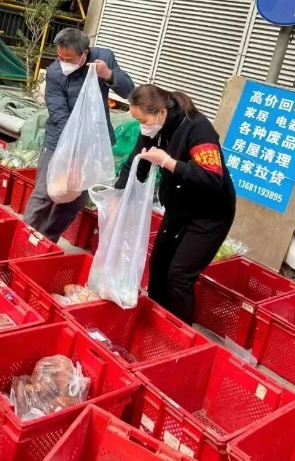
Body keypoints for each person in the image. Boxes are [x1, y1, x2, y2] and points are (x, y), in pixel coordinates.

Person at [116, 84, 236, 325]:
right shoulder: (153, 127)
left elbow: (212, 177)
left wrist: (169, 162)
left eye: (143, 120)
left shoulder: (198, 128)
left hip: (209, 215)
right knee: (158, 265)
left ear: (162, 112)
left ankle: (180, 333)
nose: (142, 126)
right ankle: (156, 324)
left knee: (179, 276)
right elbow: (137, 162)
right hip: (178, 209)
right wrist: (117, 197)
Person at [24, 28, 134, 242]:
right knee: (46, 192)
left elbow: (130, 91)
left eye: (69, 59)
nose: (63, 62)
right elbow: (59, 112)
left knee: (75, 196)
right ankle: (26, 236)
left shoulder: (104, 58)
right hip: (59, 139)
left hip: (93, 142)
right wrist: (72, 151)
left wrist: (109, 75)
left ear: (85, 53)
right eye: (59, 57)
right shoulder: (55, 72)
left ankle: (48, 239)